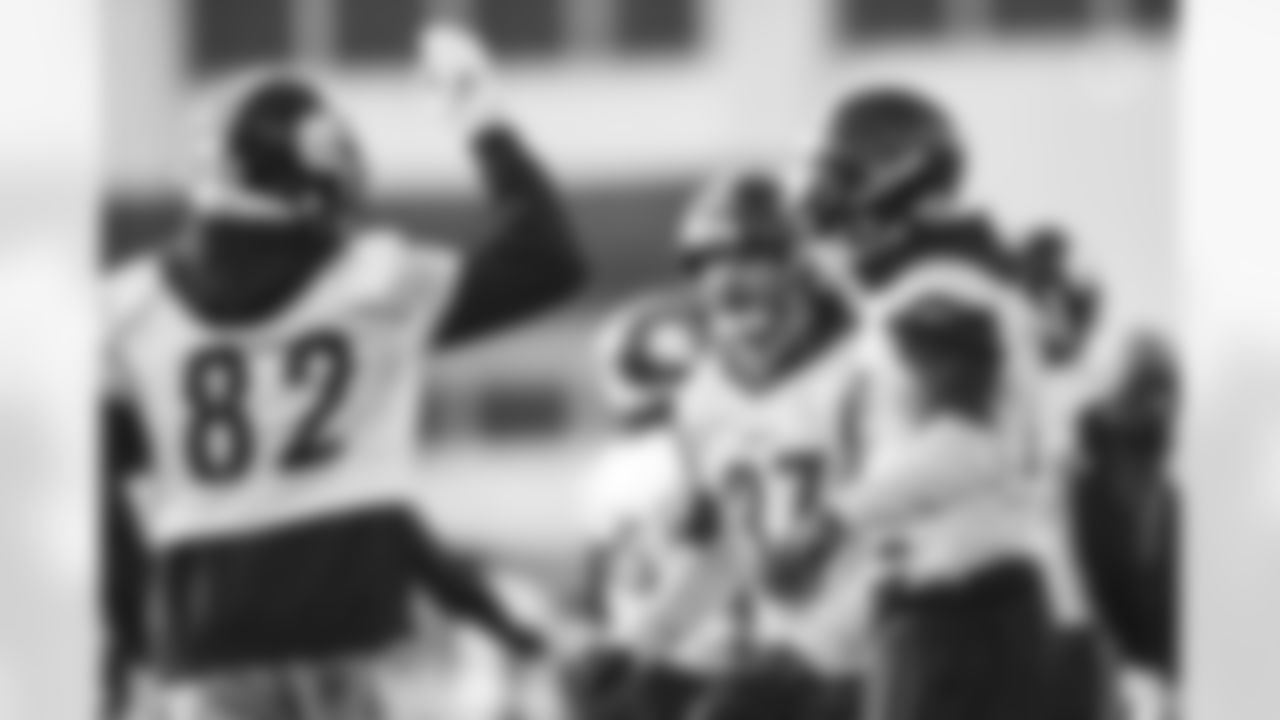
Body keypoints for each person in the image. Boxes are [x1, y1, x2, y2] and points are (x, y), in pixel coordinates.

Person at [102, 25, 583, 720]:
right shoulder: (369, 286)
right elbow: (549, 259)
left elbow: (90, 491)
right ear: (310, 171)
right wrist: (481, 118)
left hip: (206, 641)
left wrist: (132, 635)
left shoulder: (128, 308)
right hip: (344, 627)